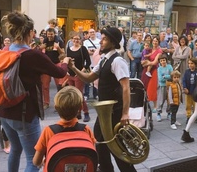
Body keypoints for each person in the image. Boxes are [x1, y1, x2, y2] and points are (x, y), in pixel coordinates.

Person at [0, 11, 70, 172]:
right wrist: (64, 61)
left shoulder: (5, 51)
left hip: (3, 110)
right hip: (25, 113)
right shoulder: (33, 55)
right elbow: (59, 73)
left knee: (15, 150)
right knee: (34, 160)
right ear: (30, 33)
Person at [67, 27, 136, 172]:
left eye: (104, 39)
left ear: (112, 42)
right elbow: (89, 77)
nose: (101, 42)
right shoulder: (104, 59)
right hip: (105, 113)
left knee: (118, 150)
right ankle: (105, 168)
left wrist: (125, 113)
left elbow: (126, 88)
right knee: (100, 143)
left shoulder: (118, 61)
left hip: (115, 113)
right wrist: (73, 68)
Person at [33, 86, 96, 168]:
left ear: (56, 108)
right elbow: (92, 154)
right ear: (80, 108)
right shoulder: (86, 129)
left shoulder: (48, 131)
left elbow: (36, 161)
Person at [66, 33, 91, 122]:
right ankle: (77, 113)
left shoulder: (83, 49)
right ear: (71, 40)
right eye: (74, 39)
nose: (76, 40)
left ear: (80, 40)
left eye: (78, 39)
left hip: (78, 75)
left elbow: (88, 62)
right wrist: (67, 71)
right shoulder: (69, 49)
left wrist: (81, 72)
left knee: (79, 94)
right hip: (70, 74)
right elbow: (67, 61)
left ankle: (86, 112)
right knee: (73, 95)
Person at [40, 28, 65, 109]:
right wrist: (40, 48)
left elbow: (63, 53)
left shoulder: (59, 41)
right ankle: (46, 102)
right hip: (46, 65)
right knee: (45, 86)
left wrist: (58, 48)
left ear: (54, 34)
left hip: (56, 64)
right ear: (46, 34)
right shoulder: (44, 41)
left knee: (59, 85)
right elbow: (40, 53)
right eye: (48, 34)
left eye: (51, 34)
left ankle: (59, 102)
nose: (50, 36)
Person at [141, 36, 163, 112]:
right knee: (144, 86)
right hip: (146, 69)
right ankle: (145, 104)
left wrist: (147, 63)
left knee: (152, 88)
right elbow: (143, 58)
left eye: (156, 41)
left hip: (153, 70)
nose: (154, 42)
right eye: (153, 41)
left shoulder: (159, 51)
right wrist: (144, 62)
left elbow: (155, 62)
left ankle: (155, 106)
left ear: (158, 42)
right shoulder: (149, 49)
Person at [157, 54, 173, 122]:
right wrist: (167, 76)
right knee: (161, 100)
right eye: (161, 60)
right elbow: (160, 79)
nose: (163, 62)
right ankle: (158, 113)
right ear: (159, 62)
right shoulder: (159, 68)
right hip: (162, 86)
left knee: (169, 100)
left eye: (164, 60)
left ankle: (169, 113)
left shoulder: (169, 67)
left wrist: (165, 76)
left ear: (166, 60)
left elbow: (172, 76)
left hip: (169, 85)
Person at [183, 58, 197, 124]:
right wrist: (185, 87)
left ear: (195, 64)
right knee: (188, 105)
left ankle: (195, 116)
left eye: (192, 63)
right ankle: (188, 116)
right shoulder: (187, 72)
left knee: (195, 105)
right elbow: (184, 80)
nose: (190, 65)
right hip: (188, 91)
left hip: (195, 92)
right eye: (189, 63)